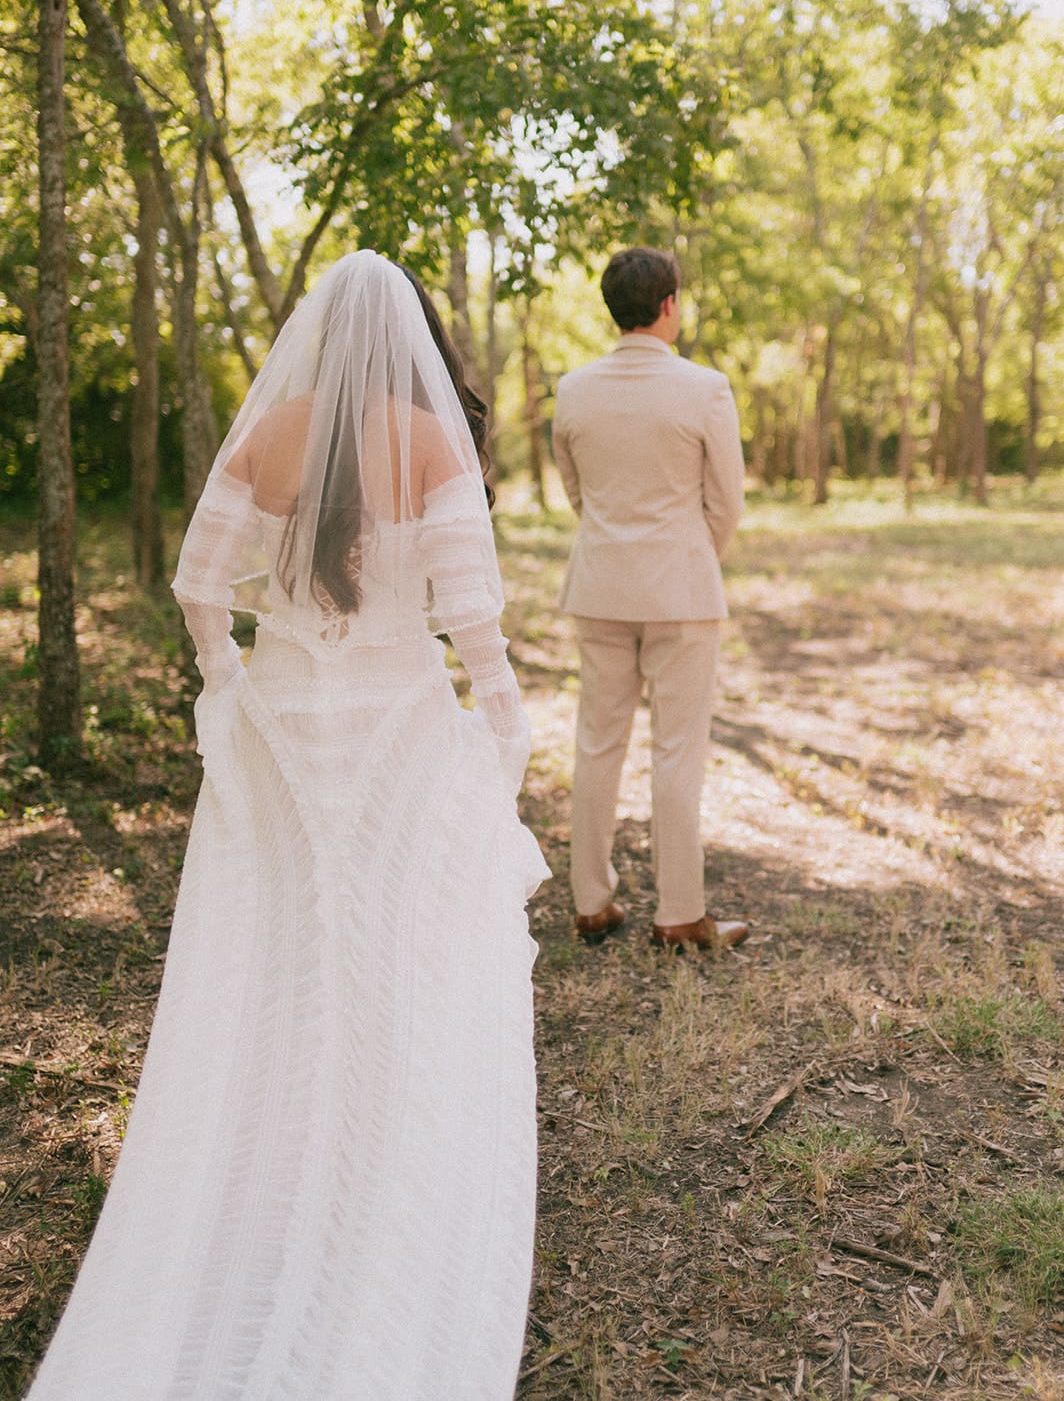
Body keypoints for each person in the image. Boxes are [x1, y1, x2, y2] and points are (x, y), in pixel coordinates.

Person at [26, 250, 549, 1401]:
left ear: (317, 331)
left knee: (273, 947)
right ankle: (378, 1163)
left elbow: (195, 578)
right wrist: (503, 736)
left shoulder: (271, 432)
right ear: (408, 333)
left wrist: (230, 680)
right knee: (396, 945)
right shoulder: (426, 439)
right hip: (399, 727)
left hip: (280, 729)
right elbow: (470, 619)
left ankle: (276, 1144)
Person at [552, 245, 747, 952]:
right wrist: (694, 557)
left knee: (597, 745)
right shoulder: (705, 388)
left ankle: (592, 902)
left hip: (600, 584)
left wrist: (615, 541)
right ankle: (679, 913)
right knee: (677, 750)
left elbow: (577, 493)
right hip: (682, 589)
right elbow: (727, 502)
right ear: (668, 304)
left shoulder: (573, 390)